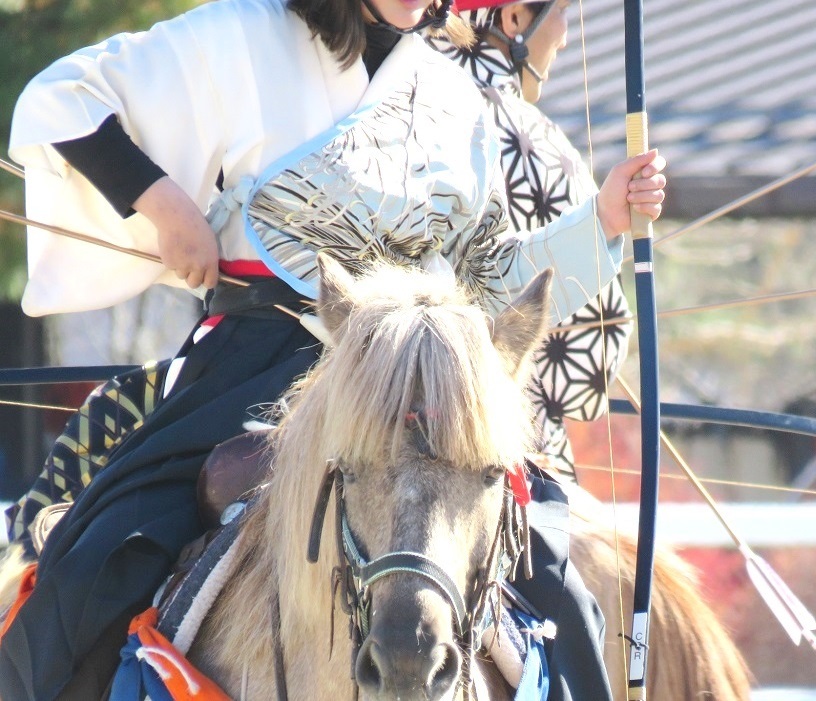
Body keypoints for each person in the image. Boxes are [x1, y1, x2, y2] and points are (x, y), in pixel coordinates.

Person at [0, 0, 666, 697]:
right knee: (89, 577)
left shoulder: (451, 91)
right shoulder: (242, 32)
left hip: (424, 382)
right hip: (255, 367)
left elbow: (488, 278)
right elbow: (60, 101)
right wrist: (165, 206)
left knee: (567, 589)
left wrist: (604, 220)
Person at [431, 0, 633, 482]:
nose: (564, 36)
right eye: (562, 11)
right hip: (506, 453)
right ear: (515, 18)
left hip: (384, 438)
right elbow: (588, 368)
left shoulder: (392, 112)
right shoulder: (532, 140)